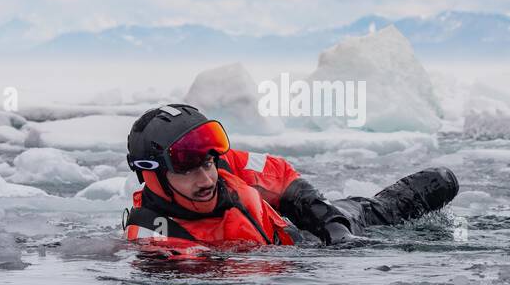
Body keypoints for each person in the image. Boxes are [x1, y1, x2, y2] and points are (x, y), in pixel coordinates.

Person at [122, 104, 458, 248]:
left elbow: (280, 175)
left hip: (317, 232)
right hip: (298, 268)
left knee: (441, 181)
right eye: (186, 170)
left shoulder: (225, 164)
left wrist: (328, 222)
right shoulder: (159, 239)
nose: (207, 179)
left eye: (208, 164)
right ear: (151, 177)